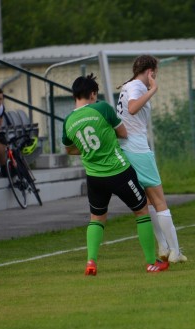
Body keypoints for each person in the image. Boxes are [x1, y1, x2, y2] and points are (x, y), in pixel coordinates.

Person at [62, 73, 169, 275]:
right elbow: (123, 133)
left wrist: (89, 150)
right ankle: (150, 262)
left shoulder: (68, 121)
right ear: (93, 94)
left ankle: (91, 261)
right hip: (118, 171)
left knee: (96, 218)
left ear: (75, 95)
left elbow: (70, 150)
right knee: (142, 211)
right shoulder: (102, 108)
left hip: (94, 177)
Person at [116, 55, 187, 263]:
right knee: (159, 201)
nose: (156, 75)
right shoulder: (138, 86)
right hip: (138, 149)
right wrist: (153, 90)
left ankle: (164, 247)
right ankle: (175, 251)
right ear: (150, 71)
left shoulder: (128, 86)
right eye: (155, 71)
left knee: (147, 201)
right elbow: (132, 108)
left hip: (127, 149)